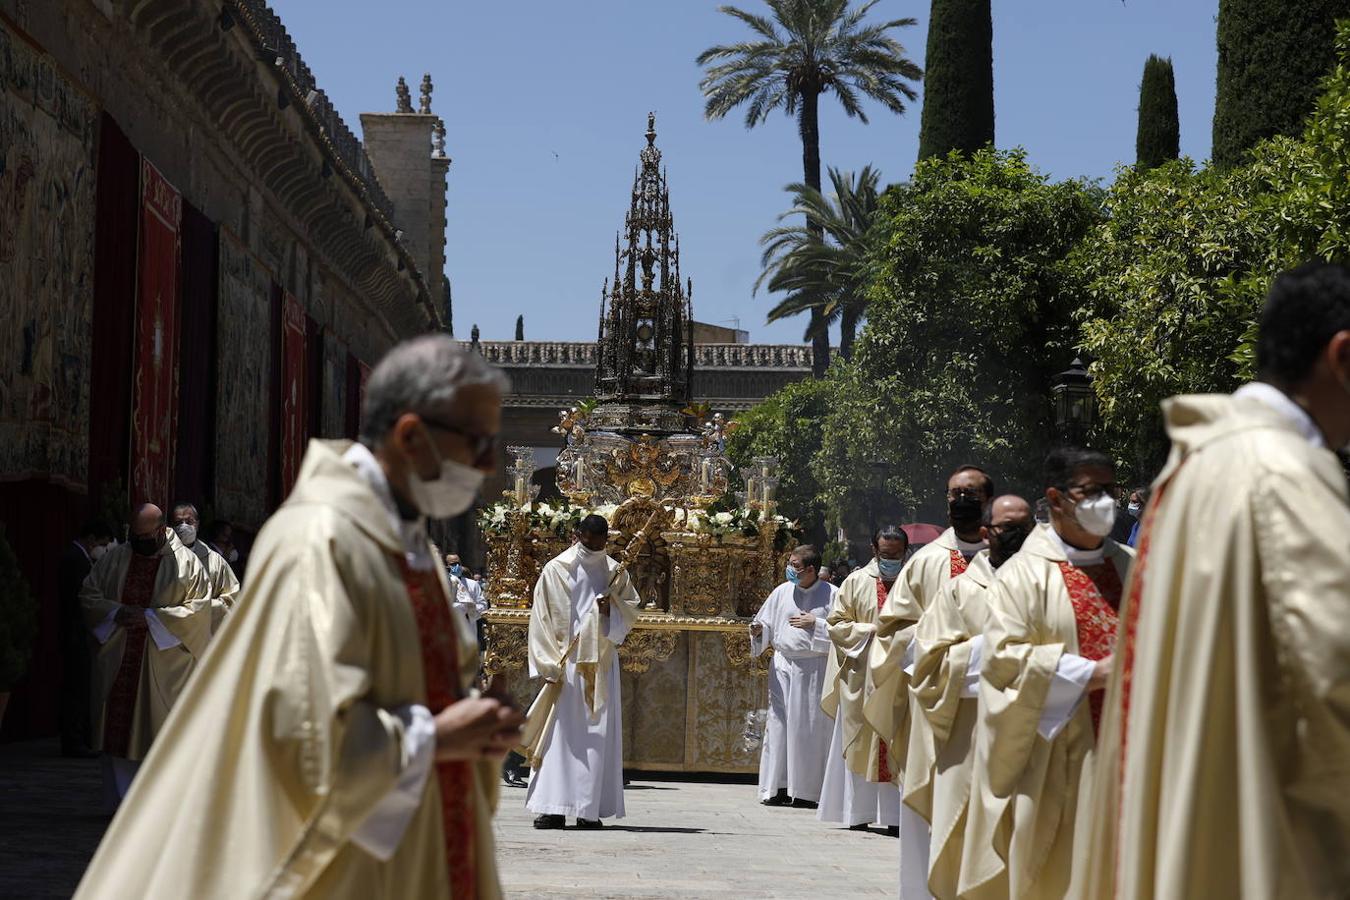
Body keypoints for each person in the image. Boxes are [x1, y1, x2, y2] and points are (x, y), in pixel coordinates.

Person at [75, 335, 524, 899]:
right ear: (411, 435)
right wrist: (433, 737)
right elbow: (302, 732)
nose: (489, 466)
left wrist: (476, 720)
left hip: (418, 851)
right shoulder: (320, 540)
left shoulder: (412, 547)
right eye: (480, 442)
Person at [1084, 262, 1350, 899]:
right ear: (1342, 356)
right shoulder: (1284, 473)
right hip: (1269, 831)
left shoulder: (1195, 467)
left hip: (1204, 800)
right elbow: (1335, 670)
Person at [959, 448, 1133, 900]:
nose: (1106, 503)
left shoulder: (1131, 565)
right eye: (1091, 492)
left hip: (1138, 752)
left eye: (1109, 491)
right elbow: (1003, 661)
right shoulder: (1023, 576)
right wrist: (1094, 673)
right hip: (1060, 757)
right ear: (1056, 499)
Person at [865, 466, 993, 894]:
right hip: (936, 699)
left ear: (988, 500)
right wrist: (940, 648)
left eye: (971, 493)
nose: (962, 501)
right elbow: (890, 630)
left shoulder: (1011, 560)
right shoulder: (927, 562)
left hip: (998, 703)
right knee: (932, 799)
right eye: (955, 494)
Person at [901, 496, 1034, 900]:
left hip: (1036, 732)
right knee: (968, 839)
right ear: (985, 532)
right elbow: (926, 663)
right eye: (1004, 529)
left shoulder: (1050, 585)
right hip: (969, 732)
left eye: (1023, 529)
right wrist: (994, 653)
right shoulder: (957, 592)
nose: (1014, 538)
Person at [78, 504, 213, 805]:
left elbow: (199, 611)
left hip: (160, 666)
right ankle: (119, 805)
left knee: (158, 734)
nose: (139, 542)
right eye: (134, 536)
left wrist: (152, 618)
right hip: (119, 661)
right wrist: (117, 612)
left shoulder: (187, 564)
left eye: (146, 535)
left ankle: (157, 807)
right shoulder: (115, 558)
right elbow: (89, 594)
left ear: (161, 529)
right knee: (117, 736)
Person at [526, 514, 639, 829]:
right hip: (567, 663)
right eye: (587, 539)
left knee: (595, 736)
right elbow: (542, 616)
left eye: (599, 541)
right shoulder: (556, 570)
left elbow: (630, 611)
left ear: (606, 539)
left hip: (599, 661)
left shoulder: (615, 572)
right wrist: (548, 662)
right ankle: (553, 807)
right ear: (577, 535)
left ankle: (588, 810)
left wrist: (610, 610)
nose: (592, 546)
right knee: (559, 737)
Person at [817, 525, 908, 836]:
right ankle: (859, 812)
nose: (890, 562)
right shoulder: (856, 582)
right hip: (862, 676)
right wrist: (867, 631)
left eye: (896, 556)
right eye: (885, 556)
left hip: (899, 680)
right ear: (874, 550)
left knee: (897, 745)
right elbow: (836, 623)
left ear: (905, 553)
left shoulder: (913, 583)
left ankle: (896, 818)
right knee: (861, 742)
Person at [750, 544, 836, 808]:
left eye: (795, 566)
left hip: (814, 668)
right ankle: (777, 787)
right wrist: (757, 630)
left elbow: (842, 631)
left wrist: (817, 625)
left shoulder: (832, 594)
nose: (790, 569)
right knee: (779, 725)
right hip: (783, 665)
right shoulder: (782, 591)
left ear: (811, 569)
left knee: (808, 728)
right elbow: (765, 622)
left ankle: (807, 791)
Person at [58, 518, 114, 758]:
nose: (101, 548)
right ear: (91, 539)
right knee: (76, 689)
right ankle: (74, 741)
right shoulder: (75, 559)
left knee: (82, 687)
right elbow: (79, 601)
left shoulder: (80, 558)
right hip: (76, 634)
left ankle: (80, 738)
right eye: (102, 543)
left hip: (80, 634)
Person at [170, 502, 240, 633]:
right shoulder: (160, 557)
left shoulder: (215, 561)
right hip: (167, 631)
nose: (183, 526)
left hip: (202, 632)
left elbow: (231, 599)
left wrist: (198, 611)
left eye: (189, 521)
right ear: (170, 526)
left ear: (197, 524)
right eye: (178, 522)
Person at [445, 551, 488, 633]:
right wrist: (457, 607)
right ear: (447, 566)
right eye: (453, 564)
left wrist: (470, 608)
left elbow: (483, 606)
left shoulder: (472, 584)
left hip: (469, 627)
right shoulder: (443, 583)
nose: (457, 566)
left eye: (458, 563)